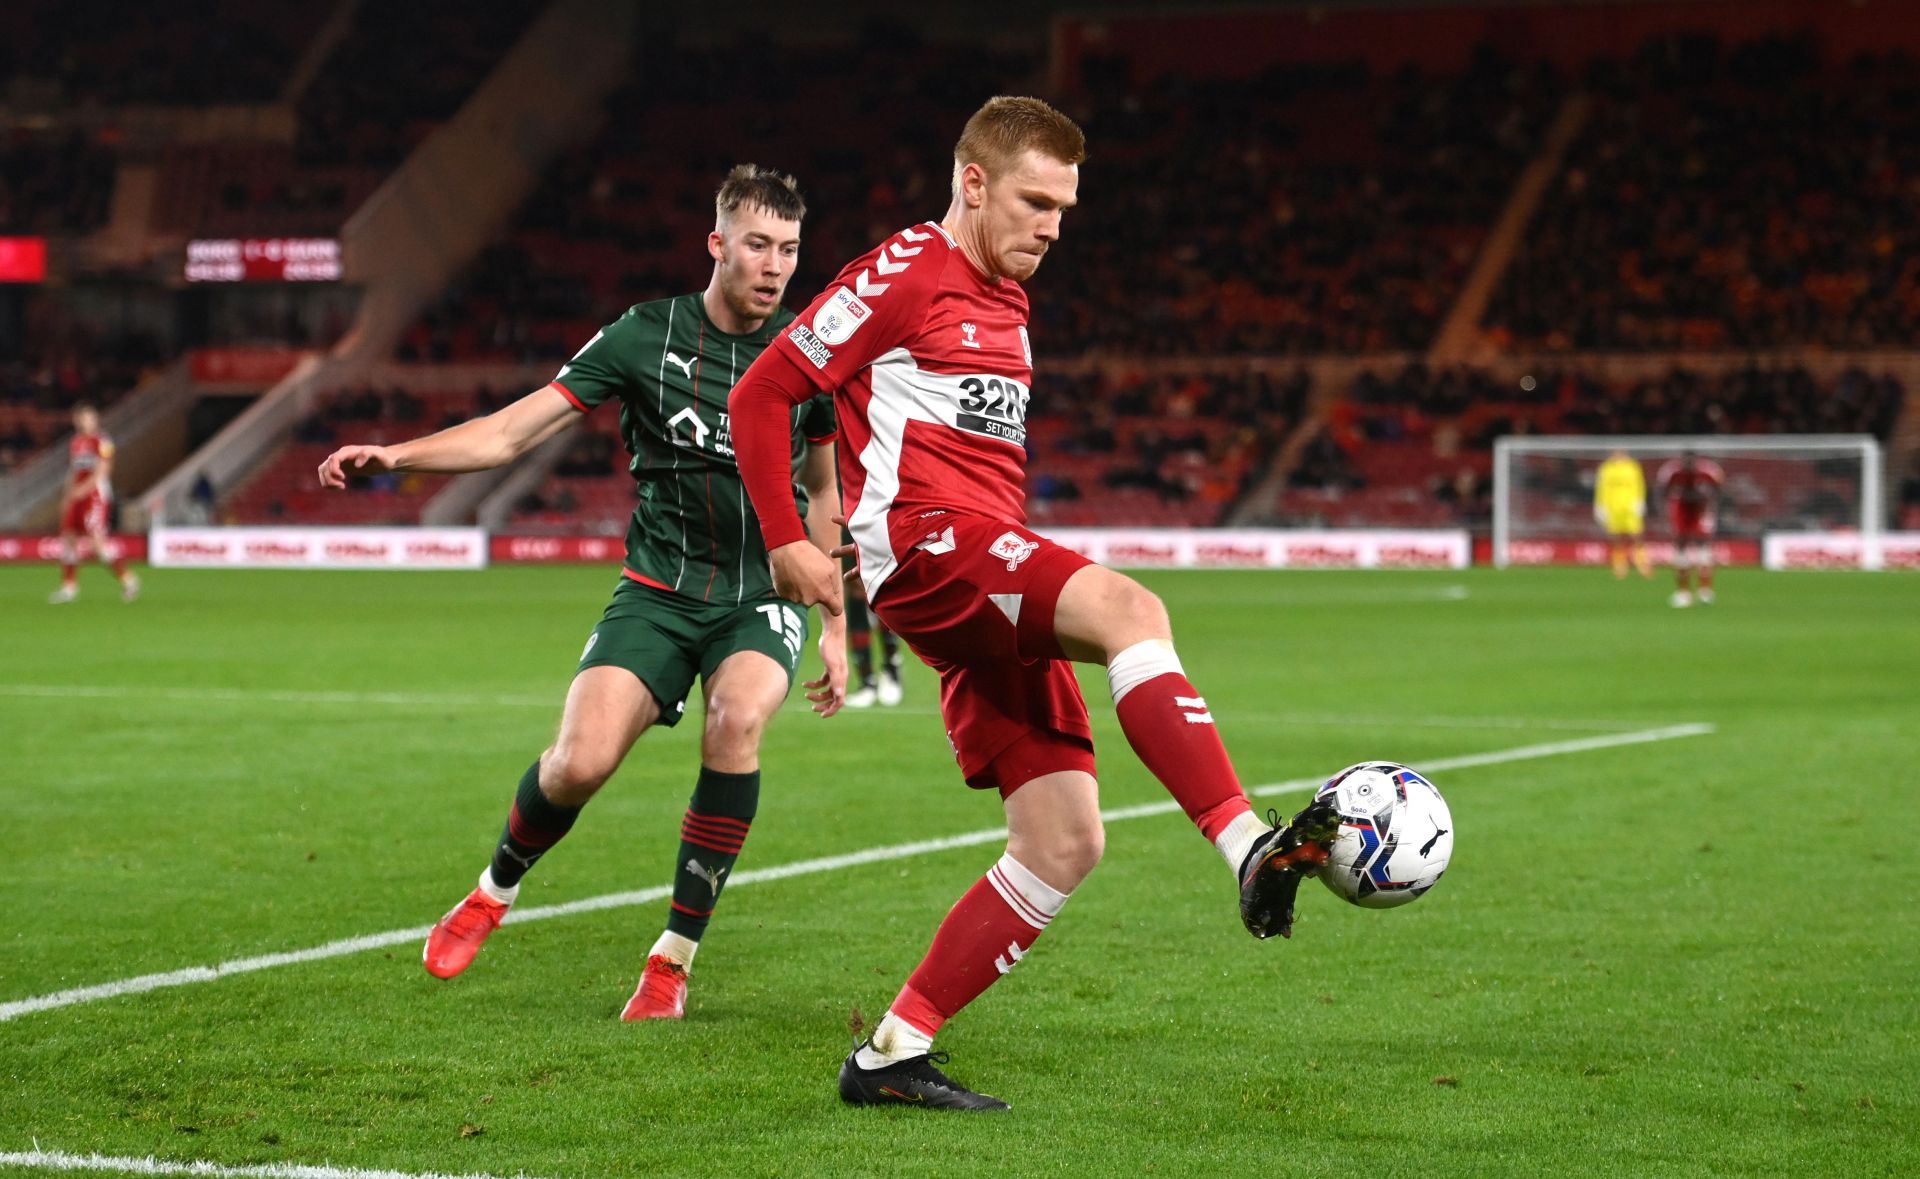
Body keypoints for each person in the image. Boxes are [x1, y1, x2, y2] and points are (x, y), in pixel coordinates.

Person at [727, 96, 1339, 1110]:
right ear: (973, 183)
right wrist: (791, 539)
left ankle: (890, 1053)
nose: (1053, 225)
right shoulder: (908, 271)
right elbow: (764, 393)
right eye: (1035, 200)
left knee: (1064, 838)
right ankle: (1246, 846)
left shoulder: (1008, 296)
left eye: (1065, 206)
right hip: (928, 550)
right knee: (1133, 612)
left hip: (979, 567)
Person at [317, 165, 846, 1019]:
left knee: (737, 718)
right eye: (757, 245)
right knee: (578, 763)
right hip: (657, 589)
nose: (775, 265)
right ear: (718, 244)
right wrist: (396, 455)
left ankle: (671, 961)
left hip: (759, 594)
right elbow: (508, 433)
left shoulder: (806, 358)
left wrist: (835, 622)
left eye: (788, 249)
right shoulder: (643, 336)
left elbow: (824, 491)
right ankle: (494, 888)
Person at [49, 402, 140, 604]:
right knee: (69, 538)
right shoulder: (76, 442)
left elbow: (104, 469)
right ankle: (69, 587)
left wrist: (84, 489)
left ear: (95, 419)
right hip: (77, 495)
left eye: (89, 417)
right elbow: (74, 471)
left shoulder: (103, 441)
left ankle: (128, 580)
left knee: (97, 543)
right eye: (81, 418)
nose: (85, 421)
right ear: (76, 421)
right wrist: (68, 495)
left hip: (95, 496)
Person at [841, 525, 904, 708]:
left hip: (875, 522)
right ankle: (866, 681)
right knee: (854, 593)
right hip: (845, 519)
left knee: (881, 594)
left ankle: (891, 669)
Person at [1655, 449, 1726, 607]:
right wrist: (1664, 512)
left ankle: (1705, 591)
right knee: (1681, 546)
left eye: (1691, 462)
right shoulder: (1672, 472)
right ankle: (1683, 592)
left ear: (1696, 461)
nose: (1689, 465)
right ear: (1682, 461)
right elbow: (1662, 491)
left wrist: (1713, 508)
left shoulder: (1708, 471)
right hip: (1681, 510)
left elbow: (1719, 490)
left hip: (1701, 509)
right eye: (1686, 462)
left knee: (1703, 546)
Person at [1593, 448, 1651, 580]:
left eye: (1621, 452)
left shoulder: (1633, 467)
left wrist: (1640, 501)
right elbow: (1601, 487)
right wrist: (1599, 505)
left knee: (1637, 535)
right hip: (1612, 507)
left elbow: (1640, 485)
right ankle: (1620, 566)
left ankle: (1642, 563)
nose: (1618, 455)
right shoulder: (1606, 468)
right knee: (1616, 538)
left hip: (1630, 507)